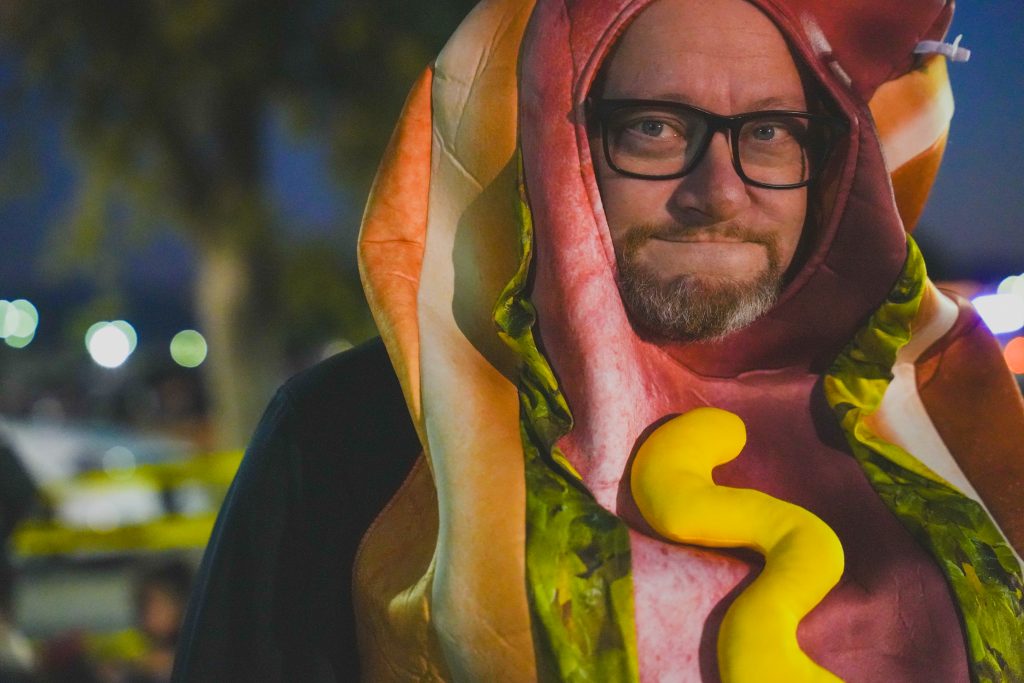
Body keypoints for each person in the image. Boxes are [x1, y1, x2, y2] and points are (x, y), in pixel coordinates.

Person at [173, 0, 1024, 681]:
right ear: (559, 148)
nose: (717, 192)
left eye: (769, 132)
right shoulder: (361, 433)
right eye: (654, 128)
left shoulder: (934, 428)